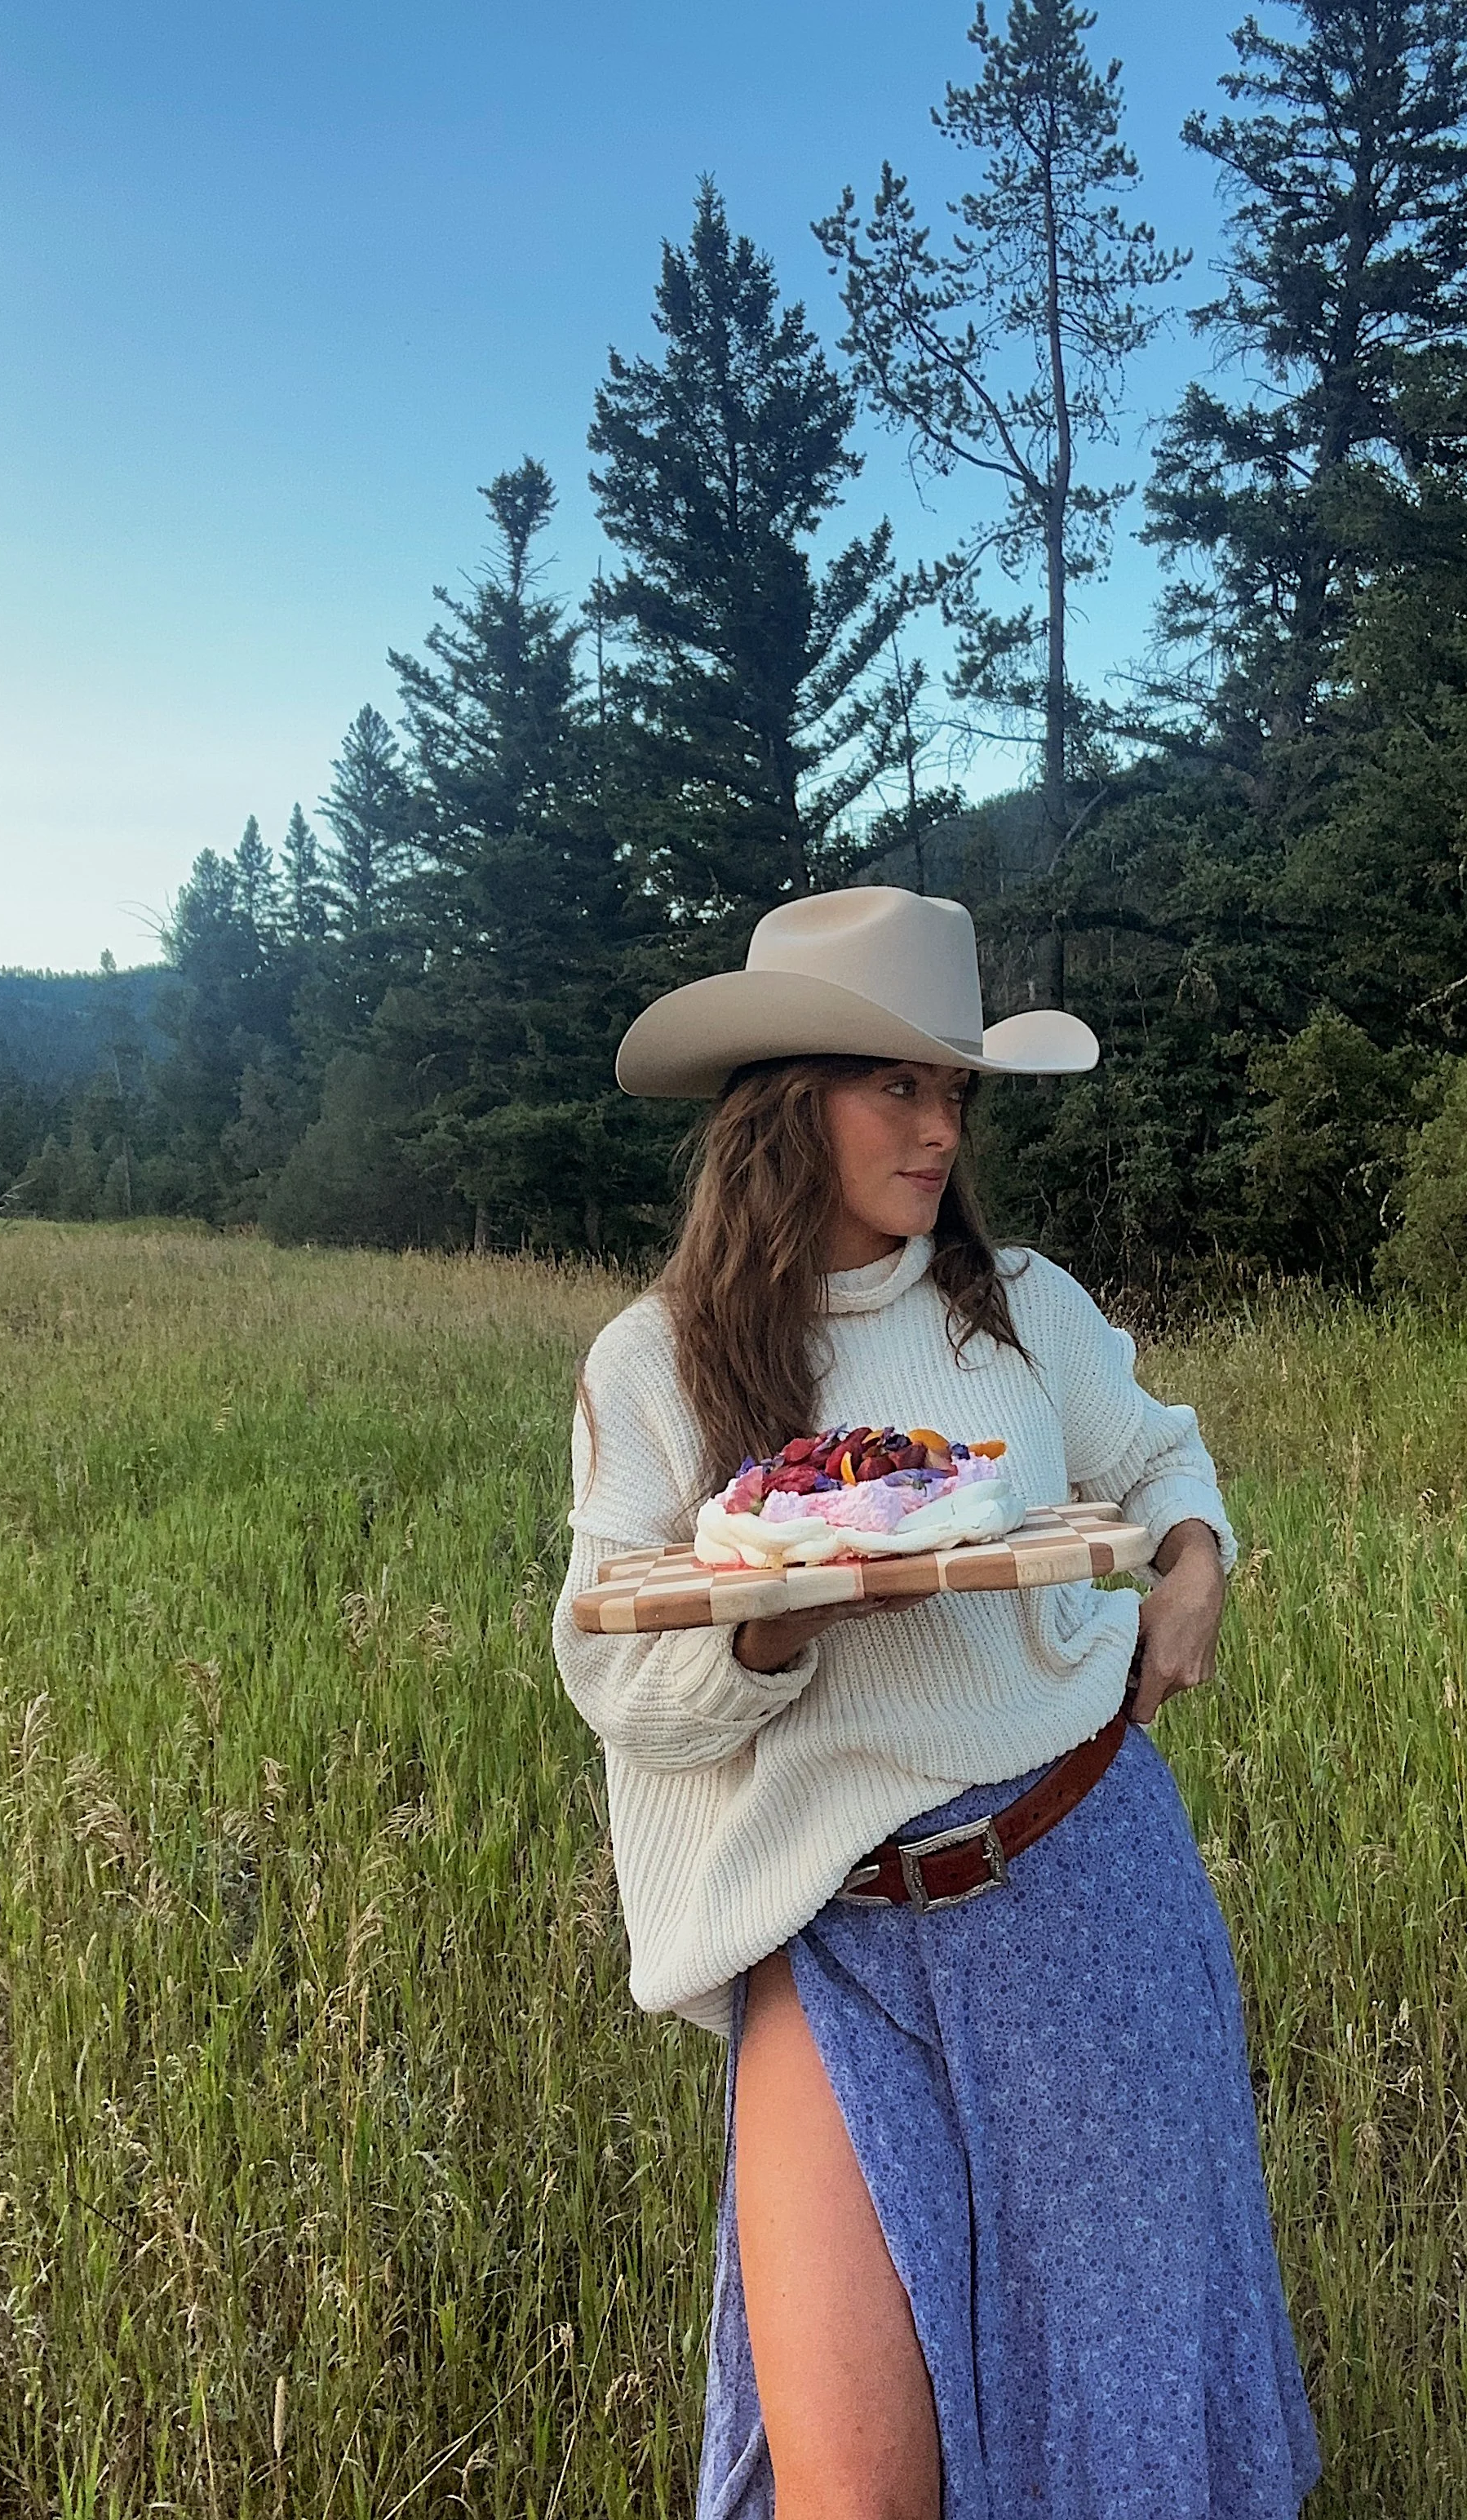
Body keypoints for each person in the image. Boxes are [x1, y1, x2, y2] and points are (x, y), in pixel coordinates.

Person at [552, 887, 1319, 2520]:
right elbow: (616, 1664)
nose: (938, 1125)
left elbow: (1163, 1454)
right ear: (781, 1102)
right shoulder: (656, 1361)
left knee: (1115, 2429)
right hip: (831, 1934)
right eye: (896, 1082)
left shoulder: (1016, 1305)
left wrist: (1194, 1566)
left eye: (953, 1089)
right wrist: (780, 1626)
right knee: (854, 2484)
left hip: (1076, 1881)